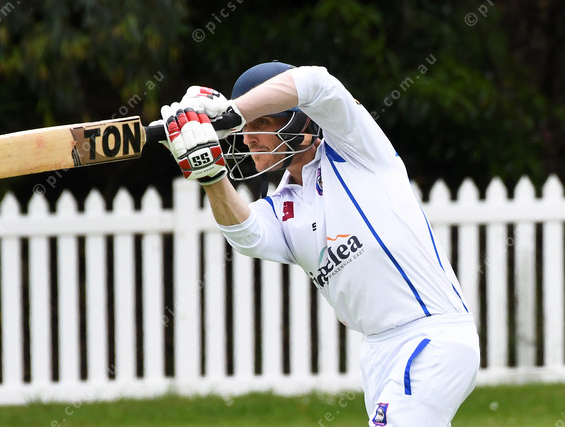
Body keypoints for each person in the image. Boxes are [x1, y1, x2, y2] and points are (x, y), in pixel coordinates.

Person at [158, 61, 480, 426]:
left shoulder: (356, 149)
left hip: (431, 336)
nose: (247, 137)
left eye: (261, 123)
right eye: (244, 129)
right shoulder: (283, 206)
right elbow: (246, 235)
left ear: (300, 122)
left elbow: (316, 83)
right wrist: (211, 176)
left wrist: (234, 111)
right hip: (378, 351)